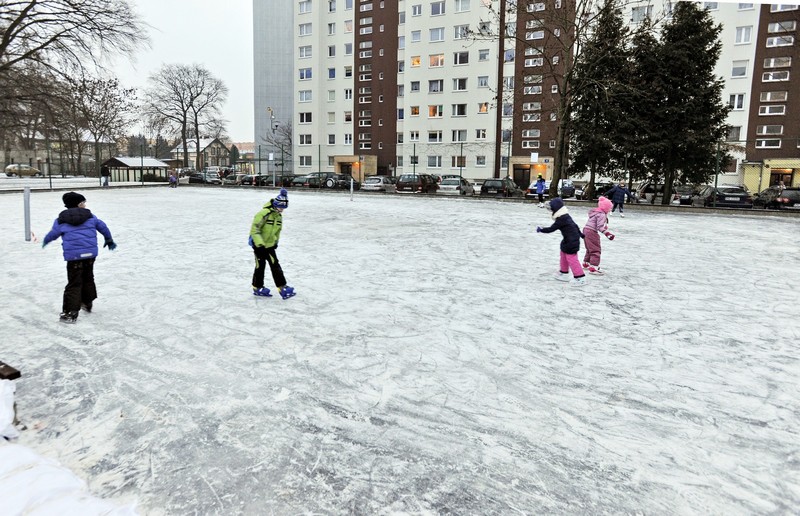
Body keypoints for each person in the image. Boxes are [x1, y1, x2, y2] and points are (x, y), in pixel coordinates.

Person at [42, 192, 116, 323]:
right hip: (90, 255)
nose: (85, 205)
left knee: (74, 282)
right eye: (83, 203)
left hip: (74, 257)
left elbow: (54, 233)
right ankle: (87, 302)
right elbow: (103, 227)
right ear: (77, 204)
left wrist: (46, 241)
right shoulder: (91, 216)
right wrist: (109, 239)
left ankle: (70, 312)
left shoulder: (61, 219)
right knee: (88, 277)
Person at [249, 188, 295, 299]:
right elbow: (255, 229)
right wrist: (259, 244)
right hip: (258, 245)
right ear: (275, 205)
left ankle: (282, 287)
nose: (282, 210)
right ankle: (257, 287)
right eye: (281, 207)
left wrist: (275, 242)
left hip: (269, 246)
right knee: (260, 266)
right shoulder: (264, 213)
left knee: (275, 265)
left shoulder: (278, 216)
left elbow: (278, 231)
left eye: (284, 208)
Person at [536, 197, 586, 286]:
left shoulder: (561, 219)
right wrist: (581, 235)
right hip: (568, 240)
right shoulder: (565, 216)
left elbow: (551, 229)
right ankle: (564, 273)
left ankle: (580, 277)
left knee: (572, 259)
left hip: (571, 242)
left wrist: (541, 229)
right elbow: (575, 226)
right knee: (563, 255)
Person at [582, 196, 615, 275]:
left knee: (589, 248)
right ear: (605, 207)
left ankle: (586, 263)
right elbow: (599, 227)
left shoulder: (596, 212)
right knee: (596, 249)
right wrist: (607, 233)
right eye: (610, 208)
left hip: (585, 230)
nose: (610, 209)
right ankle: (594, 267)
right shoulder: (601, 214)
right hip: (591, 231)